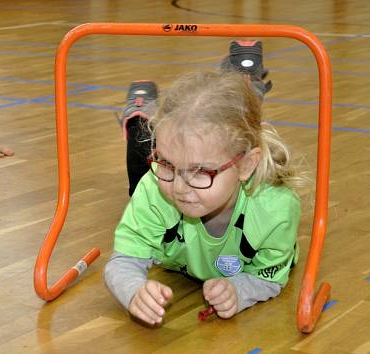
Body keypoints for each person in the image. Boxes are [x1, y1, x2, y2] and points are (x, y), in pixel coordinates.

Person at [104, 41, 304, 326]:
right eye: (168, 165)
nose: (181, 188)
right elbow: (123, 262)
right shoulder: (156, 188)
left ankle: (244, 83)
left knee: (213, 136)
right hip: (169, 162)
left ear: (247, 165)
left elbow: (265, 276)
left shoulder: (276, 210)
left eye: (200, 172)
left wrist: (240, 289)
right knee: (144, 157)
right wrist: (133, 291)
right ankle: (139, 116)